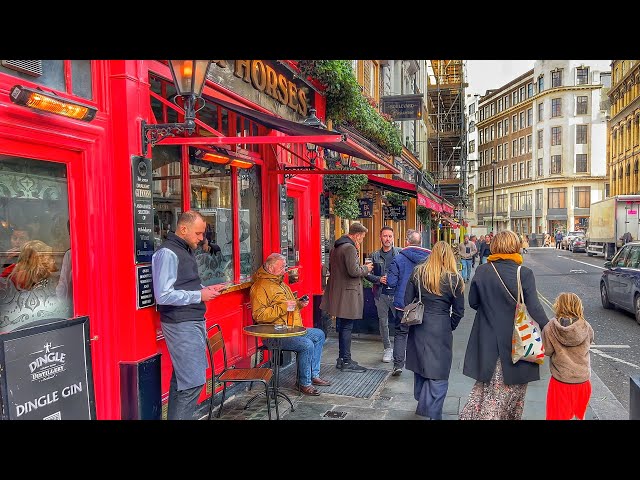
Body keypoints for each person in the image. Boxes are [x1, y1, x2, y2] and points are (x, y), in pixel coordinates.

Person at [460, 230, 549, 420]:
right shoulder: (524, 273)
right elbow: (534, 307)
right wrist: (550, 327)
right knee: (512, 397)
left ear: (495, 246)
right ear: (515, 246)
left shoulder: (483, 270)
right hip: (518, 342)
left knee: (488, 392)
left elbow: (473, 302)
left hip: (488, 341)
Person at [152, 210, 227, 420]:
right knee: (193, 383)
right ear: (183, 229)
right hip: (181, 323)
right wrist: (199, 295)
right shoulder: (167, 252)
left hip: (190, 321)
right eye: (198, 233)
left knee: (183, 382)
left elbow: (184, 284)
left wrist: (206, 289)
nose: (201, 238)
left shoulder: (183, 248)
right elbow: (163, 295)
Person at [250, 253, 330, 396]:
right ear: (270, 267)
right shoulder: (260, 287)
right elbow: (259, 315)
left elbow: (288, 305)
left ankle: (313, 374)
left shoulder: (280, 282)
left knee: (319, 334)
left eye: (285, 266)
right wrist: (284, 307)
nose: (285, 270)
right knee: (306, 344)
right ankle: (303, 383)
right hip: (273, 334)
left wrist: (299, 303)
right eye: (282, 267)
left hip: (290, 328)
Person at [404, 241, 464, 420]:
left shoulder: (418, 272)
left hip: (420, 324)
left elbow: (407, 299)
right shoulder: (455, 278)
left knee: (421, 365)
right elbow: (459, 311)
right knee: (439, 371)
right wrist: (450, 325)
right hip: (441, 326)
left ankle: (423, 402)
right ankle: (434, 413)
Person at [320, 222, 373, 373]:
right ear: (356, 235)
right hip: (348, 293)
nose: (361, 240)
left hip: (339, 292)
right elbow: (353, 271)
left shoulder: (337, 247)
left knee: (343, 326)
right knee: (347, 328)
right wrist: (366, 268)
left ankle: (343, 358)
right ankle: (346, 361)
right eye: (362, 237)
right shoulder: (349, 248)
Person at [542, 292, 594, 420]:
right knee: (579, 417)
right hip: (582, 382)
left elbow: (547, 351)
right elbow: (590, 341)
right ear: (578, 306)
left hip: (560, 382)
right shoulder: (586, 327)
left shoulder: (550, 327)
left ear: (558, 306)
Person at [386, 229, 431, 376]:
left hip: (402, 303)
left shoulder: (398, 258)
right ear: (420, 243)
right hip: (424, 302)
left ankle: (398, 365)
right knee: (421, 333)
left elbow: (392, 282)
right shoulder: (430, 258)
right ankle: (422, 364)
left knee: (401, 333)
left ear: (407, 242)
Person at [365, 226, 401, 363]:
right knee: (383, 322)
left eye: (390, 236)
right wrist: (378, 279)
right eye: (385, 236)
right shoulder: (374, 255)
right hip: (381, 294)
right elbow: (366, 274)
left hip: (397, 294)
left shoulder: (400, 253)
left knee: (401, 322)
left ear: (393, 237)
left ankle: (399, 349)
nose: (387, 239)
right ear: (380, 237)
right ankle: (387, 349)